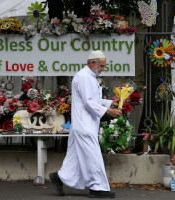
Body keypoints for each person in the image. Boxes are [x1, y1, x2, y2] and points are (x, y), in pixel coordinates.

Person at [49, 50, 122, 198]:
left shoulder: (89, 77)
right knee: (93, 156)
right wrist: (108, 111)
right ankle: (97, 187)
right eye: (101, 66)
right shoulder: (83, 77)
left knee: (75, 159)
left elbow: (92, 100)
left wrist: (110, 102)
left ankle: (59, 177)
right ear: (93, 63)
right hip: (84, 125)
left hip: (85, 124)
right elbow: (89, 102)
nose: (103, 69)